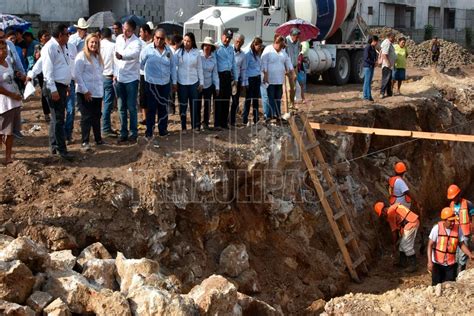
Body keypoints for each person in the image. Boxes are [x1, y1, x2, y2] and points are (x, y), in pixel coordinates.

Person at [42, 24, 74, 160]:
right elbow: (48, 72)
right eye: (67, 34)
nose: (68, 36)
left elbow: (63, 67)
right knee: (59, 119)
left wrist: (66, 85)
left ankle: (54, 146)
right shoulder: (50, 47)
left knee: (57, 119)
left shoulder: (62, 47)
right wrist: (54, 90)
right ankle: (62, 151)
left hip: (61, 86)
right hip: (53, 87)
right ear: (60, 35)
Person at [140, 28, 177, 143]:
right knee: (151, 109)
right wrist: (146, 77)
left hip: (165, 84)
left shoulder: (168, 51)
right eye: (157, 38)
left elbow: (173, 67)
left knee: (163, 108)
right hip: (151, 84)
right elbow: (141, 65)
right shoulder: (147, 50)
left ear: (164, 39)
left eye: (162, 38)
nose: (159, 40)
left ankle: (162, 130)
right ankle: (149, 132)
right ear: (154, 37)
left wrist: (174, 82)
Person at [427, 207, 474, 285]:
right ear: (444, 220)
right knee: (436, 286)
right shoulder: (436, 229)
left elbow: (461, 244)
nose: (453, 223)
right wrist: (429, 262)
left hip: (451, 264)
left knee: (450, 286)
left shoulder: (458, 229)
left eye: (453, 221)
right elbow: (430, 245)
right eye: (450, 221)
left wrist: (469, 254)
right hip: (437, 264)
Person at [74, 34, 105, 151]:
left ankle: (98, 139)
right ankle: (85, 141)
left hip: (97, 93)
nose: (94, 44)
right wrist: (85, 91)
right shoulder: (81, 57)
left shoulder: (98, 57)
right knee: (86, 117)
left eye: (96, 42)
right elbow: (77, 75)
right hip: (85, 93)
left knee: (97, 116)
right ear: (87, 43)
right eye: (92, 42)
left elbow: (99, 76)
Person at [114, 19, 142, 143]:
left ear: (133, 31)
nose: (125, 31)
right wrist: (115, 73)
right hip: (119, 78)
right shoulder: (119, 38)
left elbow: (134, 54)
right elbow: (114, 56)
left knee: (131, 107)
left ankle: (133, 132)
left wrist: (122, 56)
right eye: (124, 28)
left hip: (131, 79)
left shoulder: (137, 42)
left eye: (128, 30)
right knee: (121, 107)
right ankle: (123, 132)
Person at [374, 201, 419, 272]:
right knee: (401, 246)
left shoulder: (390, 214)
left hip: (410, 224)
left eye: (381, 214)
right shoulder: (394, 207)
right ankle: (402, 262)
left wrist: (394, 244)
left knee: (406, 246)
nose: (383, 216)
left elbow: (394, 232)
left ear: (383, 210)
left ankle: (413, 265)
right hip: (412, 221)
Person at [0, 39, 23, 165]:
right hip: (4, 103)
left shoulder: (7, 61)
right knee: (2, 131)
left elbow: (11, 74)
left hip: (14, 102)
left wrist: (18, 74)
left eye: (5, 48)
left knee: (10, 132)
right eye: (1, 49)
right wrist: (11, 95)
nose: (4, 51)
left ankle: (8, 156)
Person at [261, 34, 294, 122]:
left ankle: (277, 114)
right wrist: (266, 75)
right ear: (276, 42)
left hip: (279, 80)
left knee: (278, 98)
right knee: (270, 97)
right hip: (270, 80)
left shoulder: (283, 52)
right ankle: (269, 115)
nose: (282, 47)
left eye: (283, 45)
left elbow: (288, 62)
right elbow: (263, 63)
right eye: (281, 45)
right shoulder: (268, 49)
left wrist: (291, 72)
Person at [176, 32, 203, 132]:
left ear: (192, 42)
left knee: (194, 105)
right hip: (182, 83)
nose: (186, 43)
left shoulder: (196, 52)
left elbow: (199, 68)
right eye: (185, 40)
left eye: (189, 41)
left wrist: (201, 82)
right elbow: (174, 67)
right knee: (183, 106)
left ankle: (195, 126)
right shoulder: (178, 52)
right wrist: (174, 82)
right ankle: (183, 127)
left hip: (194, 82)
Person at [447, 184, 474, 272]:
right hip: (455, 231)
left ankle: (461, 271)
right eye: (452, 198)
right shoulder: (451, 204)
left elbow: (473, 215)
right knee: (456, 252)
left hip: (465, 231)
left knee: (463, 254)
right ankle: (456, 270)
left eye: (454, 197)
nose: (453, 199)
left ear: (459, 195)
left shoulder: (467, 203)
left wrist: (473, 225)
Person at [215, 29, 238, 129]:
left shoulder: (230, 49)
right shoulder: (216, 47)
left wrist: (236, 78)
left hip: (228, 76)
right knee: (219, 100)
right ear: (222, 36)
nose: (227, 39)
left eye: (229, 38)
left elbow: (233, 64)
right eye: (226, 37)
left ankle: (224, 123)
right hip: (219, 75)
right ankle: (217, 123)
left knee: (226, 100)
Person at [100, 27, 117, 138]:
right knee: (107, 104)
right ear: (110, 36)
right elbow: (116, 62)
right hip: (109, 76)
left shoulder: (97, 45)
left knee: (103, 103)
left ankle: (105, 127)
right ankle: (105, 128)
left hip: (100, 76)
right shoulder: (113, 46)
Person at [199, 36, 219, 130]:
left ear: (212, 48)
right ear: (203, 46)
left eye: (209, 46)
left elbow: (215, 74)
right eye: (205, 45)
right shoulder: (198, 56)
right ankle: (197, 123)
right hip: (199, 84)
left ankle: (205, 123)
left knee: (207, 104)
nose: (207, 47)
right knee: (198, 104)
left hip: (209, 84)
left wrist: (217, 87)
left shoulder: (213, 59)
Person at [243, 37, 262, 126]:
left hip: (257, 78)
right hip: (250, 79)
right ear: (254, 45)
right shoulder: (248, 55)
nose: (260, 48)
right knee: (248, 100)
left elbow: (258, 67)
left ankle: (256, 118)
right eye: (258, 46)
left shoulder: (258, 55)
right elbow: (245, 68)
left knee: (255, 100)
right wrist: (245, 82)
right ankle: (245, 119)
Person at [33, 30, 51, 122]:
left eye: (48, 35)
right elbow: (37, 59)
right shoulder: (38, 46)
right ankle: (46, 113)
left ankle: (52, 111)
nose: (47, 37)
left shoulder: (53, 45)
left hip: (51, 72)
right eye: (45, 36)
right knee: (45, 93)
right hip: (42, 74)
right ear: (41, 38)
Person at [230, 33, 247, 127]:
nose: (238, 43)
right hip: (228, 79)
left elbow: (243, 69)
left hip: (237, 81)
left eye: (241, 42)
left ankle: (232, 121)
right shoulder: (229, 51)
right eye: (237, 41)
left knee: (235, 101)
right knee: (225, 101)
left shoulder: (243, 55)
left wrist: (244, 83)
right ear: (234, 41)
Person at [138, 24, 153, 127]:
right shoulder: (138, 42)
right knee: (143, 96)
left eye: (141, 32)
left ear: (146, 32)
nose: (140, 34)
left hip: (153, 74)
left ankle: (151, 117)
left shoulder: (154, 43)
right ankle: (144, 118)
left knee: (152, 96)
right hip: (142, 73)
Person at [285, 28, 300, 109]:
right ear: (292, 35)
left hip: (294, 67)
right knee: (289, 88)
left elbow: (297, 53)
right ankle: (288, 105)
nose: (297, 38)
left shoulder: (297, 42)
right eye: (296, 37)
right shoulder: (286, 41)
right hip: (288, 68)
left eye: (298, 37)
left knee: (294, 87)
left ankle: (292, 104)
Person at [168, 34, 183, 115]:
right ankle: (171, 110)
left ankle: (181, 109)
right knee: (171, 93)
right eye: (180, 42)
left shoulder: (181, 50)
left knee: (180, 93)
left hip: (180, 74)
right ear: (177, 43)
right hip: (171, 74)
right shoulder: (169, 50)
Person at [379, 33, 396, 99]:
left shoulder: (389, 43)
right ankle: (382, 93)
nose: (395, 39)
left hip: (389, 65)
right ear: (391, 37)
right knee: (385, 79)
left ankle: (389, 92)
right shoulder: (387, 43)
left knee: (389, 79)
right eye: (394, 38)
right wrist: (388, 63)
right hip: (387, 65)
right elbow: (384, 55)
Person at [362, 35, 378, 101]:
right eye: (376, 41)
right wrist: (373, 63)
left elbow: (374, 56)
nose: (377, 43)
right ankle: (368, 96)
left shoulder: (373, 48)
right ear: (373, 41)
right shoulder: (368, 47)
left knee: (367, 82)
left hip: (371, 66)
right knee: (367, 82)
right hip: (368, 66)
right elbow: (366, 58)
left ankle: (366, 96)